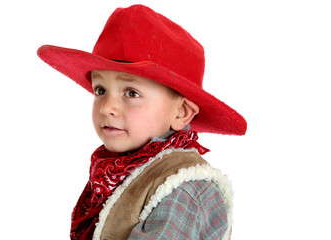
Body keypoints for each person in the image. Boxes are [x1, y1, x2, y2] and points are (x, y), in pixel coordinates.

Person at [37, 4, 246, 240]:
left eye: (132, 93)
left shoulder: (183, 186)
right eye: (100, 90)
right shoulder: (119, 171)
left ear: (182, 113)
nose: (107, 108)